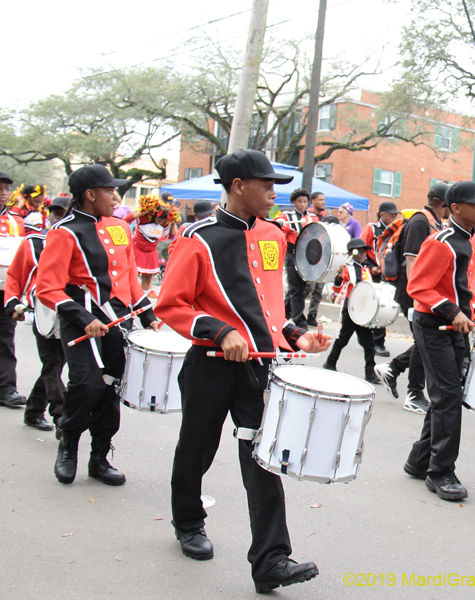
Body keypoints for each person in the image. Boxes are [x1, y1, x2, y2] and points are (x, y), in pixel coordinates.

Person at [155, 149, 331, 593]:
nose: (274, 194)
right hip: (211, 365)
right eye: (266, 185)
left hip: (259, 366)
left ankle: (271, 560)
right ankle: (188, 522)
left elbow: (267, 307)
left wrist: (295, 335)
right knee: (197, 448)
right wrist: (219, 332)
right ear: (237, 186)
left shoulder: (272, 235)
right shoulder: (198, 238)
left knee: (262, 459)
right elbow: (171, 304)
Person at [36, 164, 161, 486]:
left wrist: (147, 314)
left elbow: (129, 276)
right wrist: (84, 318)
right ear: (90, 195)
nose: (115, 197)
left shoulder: (119, 227)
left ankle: (100, 456)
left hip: (118, 319)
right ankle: (68, 443)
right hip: (81, 320)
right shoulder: (64, 232)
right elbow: (47, 287)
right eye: (109, 191)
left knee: (111, 386)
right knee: (86, 383)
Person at [403, 181, 475, 501]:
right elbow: (417, 286)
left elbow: (468, 288)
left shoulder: (474, 242)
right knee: (448, 396)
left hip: (454, 327)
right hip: (433, 325)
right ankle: (440, 472)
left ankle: (420, 460)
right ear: (456, 208)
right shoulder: (440, 242)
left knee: (447, 396)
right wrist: (452, 311)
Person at [374, 182, 449, 414]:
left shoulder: (434, 222)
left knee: (423, 342)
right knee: (425, 342)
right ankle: (414, 393)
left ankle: (393, 369)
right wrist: (418, 296)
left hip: (421, 293)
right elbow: (412, 261)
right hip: (414, 294)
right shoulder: (420, 221)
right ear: (442, 202)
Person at [3, 195, 69, 431]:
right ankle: (61, 415)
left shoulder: (80, 242)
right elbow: (15, 275)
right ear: (48, 216)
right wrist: (13, 303)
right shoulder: (34, 242)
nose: (58, 218)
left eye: (64, 214)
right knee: (52, 363)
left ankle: (33, 411)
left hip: (71, 312)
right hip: (43, 312)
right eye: (55, 213)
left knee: (55, 366)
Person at [0, 169, 27, 408]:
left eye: (7, 189)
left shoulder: (15, 220)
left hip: (5, 289)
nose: (4, 193)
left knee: (5, 339)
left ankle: (5, 389)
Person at [322, 238, 380, 383]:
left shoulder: (366, 269)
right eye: (360, 252)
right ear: (351, 253)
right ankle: (330, 362)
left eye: (364, 252)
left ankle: (370, 373)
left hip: (363, 310)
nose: (363, 255)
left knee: (369, 344)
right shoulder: (347, 268)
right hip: (351, 309)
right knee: (343, 339)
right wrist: (338, 277)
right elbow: (337, 289)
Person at [360, 200, 401, 357]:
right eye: (391, 215)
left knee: (383, 306)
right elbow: (361, 249)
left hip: (388, 272)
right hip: (372, 271)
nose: (394, 218)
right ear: (382, 215)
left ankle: (376, 340)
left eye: (395, 215)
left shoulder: (397, 229)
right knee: (375, 305)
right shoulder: (371, 228)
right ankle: (376, 341)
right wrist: (370, 266)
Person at [277, 188, 317, 328]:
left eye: (305, 202)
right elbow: (277, 223)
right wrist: (280, 223)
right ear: (293, 202)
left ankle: (282, 316)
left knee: (298, 288)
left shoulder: (312, 217)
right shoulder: (286, 216)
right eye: (299, 201)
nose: (302, 204)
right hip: (292, 253)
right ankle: (300, 321)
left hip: (306, 255)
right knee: (296, 288)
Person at [124, 197, 178, 296]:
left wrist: (173, 224)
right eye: (159, 219)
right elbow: (126, 220)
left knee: (148, 276)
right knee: (133, 274)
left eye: (163, 220)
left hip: (151, 251)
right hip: (136, 249)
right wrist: (141, 212)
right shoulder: (144, 218)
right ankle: (128, 293)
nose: (160, 222)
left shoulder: (164, 224)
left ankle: (144, 295)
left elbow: (169, 236)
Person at [303, 192, 328, 324]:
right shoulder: (308, 217)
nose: (323, 202)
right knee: (308, 287)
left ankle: (312, 315)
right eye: (320, 200)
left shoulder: (325, 218)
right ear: (312, 201)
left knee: (319, 288)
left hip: (323, 258)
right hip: (310, 257)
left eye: (324, 200)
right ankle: (293, 311)